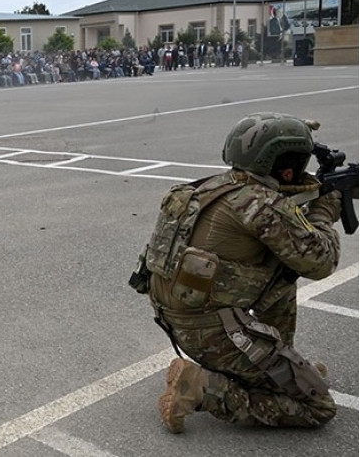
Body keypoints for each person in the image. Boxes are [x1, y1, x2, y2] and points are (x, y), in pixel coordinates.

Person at [131, 112, 342, 434]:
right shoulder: (263, 205)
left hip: (177, 318)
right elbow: (321, 262)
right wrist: (324, 211)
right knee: (318, 409)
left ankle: (276, 366)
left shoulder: (209, 187)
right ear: (286, 168)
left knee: (283, 272)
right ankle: (203, 388)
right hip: (212, 333)